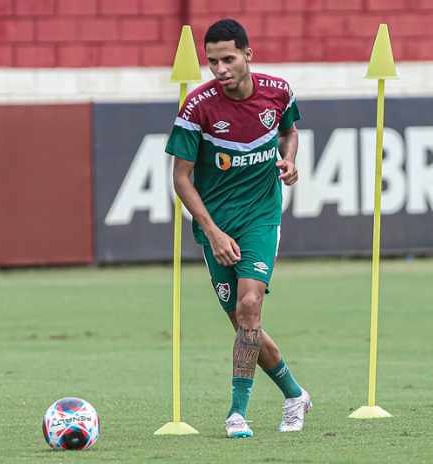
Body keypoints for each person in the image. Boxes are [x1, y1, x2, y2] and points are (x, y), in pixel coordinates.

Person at [164, 18, 310, 439]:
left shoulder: (279, 92)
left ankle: (236, 413)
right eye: (212, 61)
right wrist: (211, 231)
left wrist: (289, 159)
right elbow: (181, 178)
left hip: (261, 217)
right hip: (216, 225)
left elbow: (290, 132)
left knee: (250, 307)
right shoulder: (197, 107)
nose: (220, 69)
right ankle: (294, 394)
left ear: (248, 54)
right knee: (245, 326)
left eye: (228, 58)